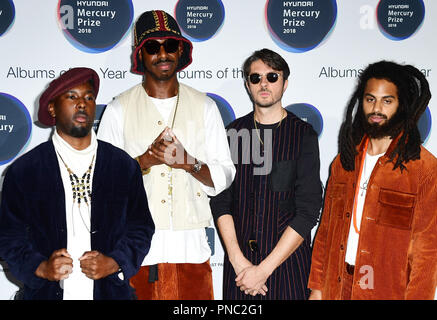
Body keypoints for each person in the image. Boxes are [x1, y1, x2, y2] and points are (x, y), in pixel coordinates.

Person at [97, 10, 235, 300]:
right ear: (140, 55)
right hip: (136, 253)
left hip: (192, 251)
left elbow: (224, 174)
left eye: (170, 45)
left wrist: (190, 163)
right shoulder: (118, 110)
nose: (162, 53)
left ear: (181, 50)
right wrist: (144, 161)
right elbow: (102, 182)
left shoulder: (205, 107)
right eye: (152, 46)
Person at [0, 67, 155, 300]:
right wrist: (41, 268)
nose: (82, 103)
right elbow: (9, 237)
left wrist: (114, 263)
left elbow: (141, 228)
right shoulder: (25, 171)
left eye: (89, 97)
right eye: (72, 96)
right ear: (52, 107)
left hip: (111, 294)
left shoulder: (122, 166)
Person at [308, 61, 437, 300]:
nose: (377, 108)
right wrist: (317, 288)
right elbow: (325, 232)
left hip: (386, 291)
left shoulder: (424, 169)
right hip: (337, 286)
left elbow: (425, 253)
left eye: (387, 101)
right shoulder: (344, 162)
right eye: (370, 99)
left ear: (401, 106)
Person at [210, 48, 323, 300]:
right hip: (240, 273)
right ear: (247, 85)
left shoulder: (302, 135)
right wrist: (238, 262)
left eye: (272, 77)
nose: (264, 84)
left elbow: (307, 211)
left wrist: (264, 270)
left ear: (284, 84)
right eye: (256, 77)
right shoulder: (232, 133)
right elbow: (220, 200)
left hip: (288, 270)